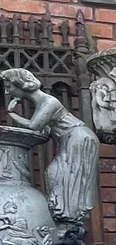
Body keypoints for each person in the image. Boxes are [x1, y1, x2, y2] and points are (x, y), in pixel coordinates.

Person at [2, 68, 99, 224]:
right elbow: (45, 129)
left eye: (9, 86)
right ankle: (64, 215)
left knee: (61, 175)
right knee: (57, 175)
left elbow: (34, 126)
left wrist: (12, 113)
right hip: (71, 138)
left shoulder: (49, 102)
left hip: (78, 138)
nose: (7, 92)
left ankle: (68, 216)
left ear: (20, 84)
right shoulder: (41, 102)